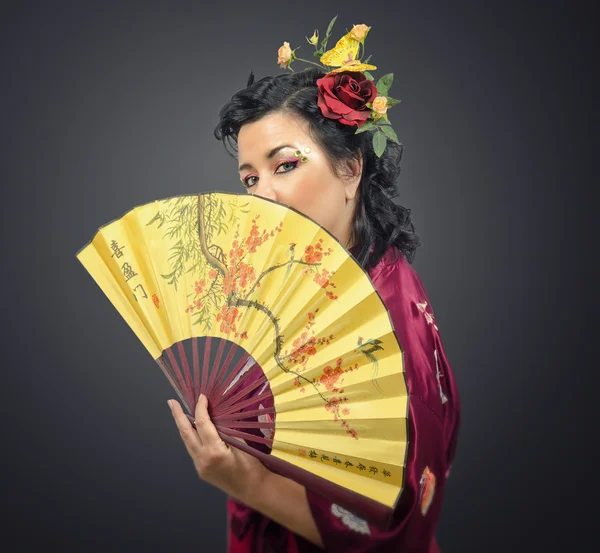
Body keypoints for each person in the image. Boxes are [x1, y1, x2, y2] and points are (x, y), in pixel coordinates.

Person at [167, 22, 460, 553]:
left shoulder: (392, 318)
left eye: (285, 165)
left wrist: (243, 480)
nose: (262, 196)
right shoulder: (307, 284)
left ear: (350, 168)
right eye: (250, 179)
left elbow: (405, 527)